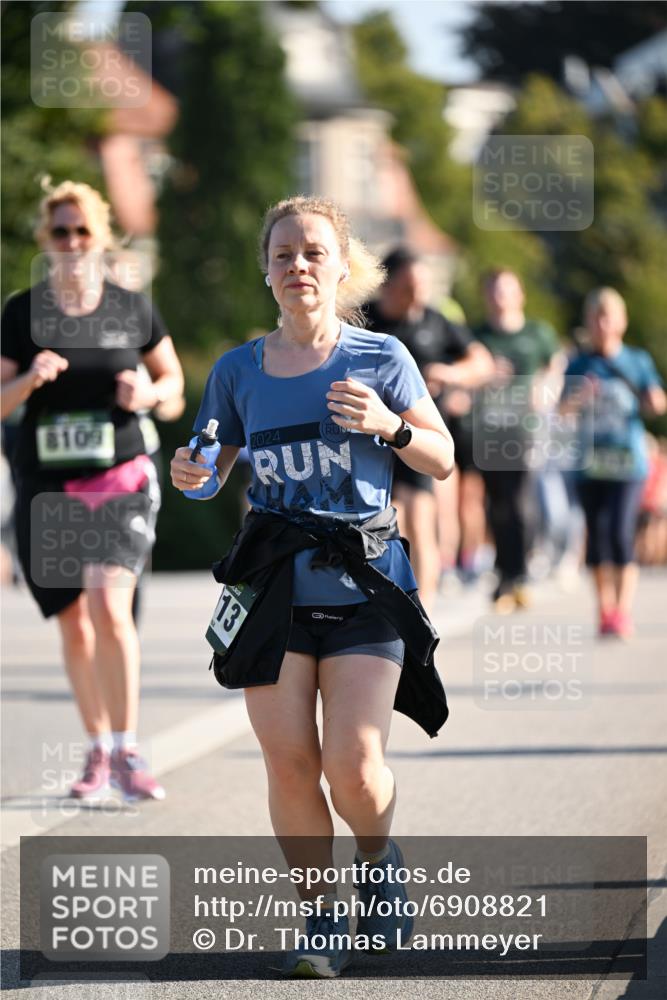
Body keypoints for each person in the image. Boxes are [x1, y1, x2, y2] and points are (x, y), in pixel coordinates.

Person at [171, 197, 454, 978]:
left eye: (313, 252)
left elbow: (441, 457)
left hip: (366, 582)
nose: (299, 265)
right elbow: (205, 469)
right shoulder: (238, 370)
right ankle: (322, 918)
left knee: (354, 766)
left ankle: (377, 856)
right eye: (284, 254)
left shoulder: (381, 359)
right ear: (266, 271)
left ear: (340, 266)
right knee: (291, 765)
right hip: (272, 589)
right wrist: (190, 472)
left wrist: (389, 427)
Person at [0, 180, 184, 800]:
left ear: (100, 237)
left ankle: (128, 749)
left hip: (121, 477)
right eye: (61, 231)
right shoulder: (21, 313)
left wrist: (150, 395)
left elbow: (174, 382)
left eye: (83, 230)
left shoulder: (132, 308)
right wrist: (28, 379)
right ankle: (99, 750)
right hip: (47, 486)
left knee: (109, 604)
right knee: (76, 624)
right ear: (45, 240)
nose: (73, 241)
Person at [364, 248, 492, 610]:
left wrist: (451, 374)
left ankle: (424, 609)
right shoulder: (364, 320)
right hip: (369, 438)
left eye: (423, 285)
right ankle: (381, 603)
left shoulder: (435, 321)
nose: (418, 294)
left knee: (421, 521)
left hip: (416, 437)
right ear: (387, 285)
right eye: (409, 286)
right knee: (385, 522)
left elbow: (481, 362)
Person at [561, 288, 665, 637]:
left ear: (621, 322)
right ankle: (604, 609)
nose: (603, 324)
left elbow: (657, 404)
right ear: (589, 322)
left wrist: (652, 398)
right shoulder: (579, 364)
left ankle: (622, 611)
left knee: (621, 532)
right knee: (598, 537)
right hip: (590, 465)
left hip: (628, 463)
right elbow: (561, 411)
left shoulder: (637, 360)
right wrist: (579, 396)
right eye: (597, 317)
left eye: (609, 317)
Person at [473, 268, 561, 612]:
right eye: (494, 290)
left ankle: (519, 573)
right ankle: (504, 572)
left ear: (520, 295)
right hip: (488, 429)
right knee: (495, 504)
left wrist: (546, 390)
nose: (500, 297)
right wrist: (482, 376)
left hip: (525, 429)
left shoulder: (537, 333)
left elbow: (555, 365)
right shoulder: (478, 336)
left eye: (507, 290)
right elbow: (466, 367)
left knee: (521, 499)